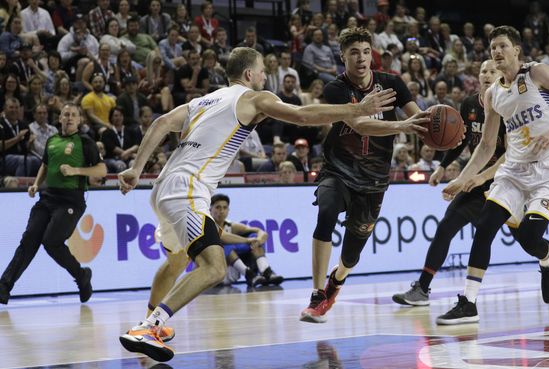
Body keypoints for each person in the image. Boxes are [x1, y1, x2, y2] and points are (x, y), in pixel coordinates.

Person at [117, 46, 399, 362]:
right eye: (263, 70)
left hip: (162, 189)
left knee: (177, 261)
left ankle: (150, 320)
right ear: (250, 74)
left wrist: (135, 169)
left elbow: (160, 123)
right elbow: (302, 115)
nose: (265, 76)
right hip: (188, 190)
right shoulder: (254, 97)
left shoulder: (203, 101)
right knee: (214, 267)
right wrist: (356, 109)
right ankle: (150, 326)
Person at [392, 60, 549, 310]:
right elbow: (460, 142)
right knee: (447, 226)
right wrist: (447, 168)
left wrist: (481, 176)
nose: (487, 74)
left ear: (503, 74)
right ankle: (424, 288)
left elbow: (513, 154)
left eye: (492, 71)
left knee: (527, 237)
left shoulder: (513, 103)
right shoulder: (470, 104)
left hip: (506, 176)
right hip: (480, 180)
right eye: (483, 71)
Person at [433, 26, 549, 324]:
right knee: (485, 225)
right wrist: (462, 179)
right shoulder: (493, 94)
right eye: (493, 48)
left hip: (548, 169)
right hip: (513, 172)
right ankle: (468, 302)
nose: (497, 52)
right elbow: (487, 145)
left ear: (516, 50)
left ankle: (547, 259)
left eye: (503, 46)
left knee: (530, 237)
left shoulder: (537, 73)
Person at [299, 27, 431, 324]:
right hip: (339, 169)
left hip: (374, 180)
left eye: (366, 51)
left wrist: (436, 126)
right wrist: (403, 126)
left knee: (351, 257)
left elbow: (420, 119)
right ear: (343, 56)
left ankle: (337, 278)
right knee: (327, 211)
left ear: (373, 54)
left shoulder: (392, 83)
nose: (361, 58)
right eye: (354, 53)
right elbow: (360, 124)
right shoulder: (336, 89)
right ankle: (317, 294)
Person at [0, 103, 107, 305]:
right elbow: (45, 165)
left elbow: (101, 170)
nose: (69, 118)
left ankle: (81, 275)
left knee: (51, 241)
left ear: (79, 120)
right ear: (59, 118)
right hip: (47, 197)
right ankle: (4, 287)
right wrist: (35, 184)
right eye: (65, 114)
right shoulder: (52, 140)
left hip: (71, 200)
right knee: (29, 240)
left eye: (73, 115)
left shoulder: (85, 142)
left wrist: (77, 171)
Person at [211, 194, 284, 287]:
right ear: (210, 209)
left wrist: (259, 240)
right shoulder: (207, 225)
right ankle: (250, 275)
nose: (221, 211)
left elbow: (261, 231)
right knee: (225, 245)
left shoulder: (231, 226)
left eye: (224, 208)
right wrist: (247, 240)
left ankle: (266, 272)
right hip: (214, 272)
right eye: (218, 207)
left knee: (254, 238)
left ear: (228, 210)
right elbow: (223, 237)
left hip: (233, 270)